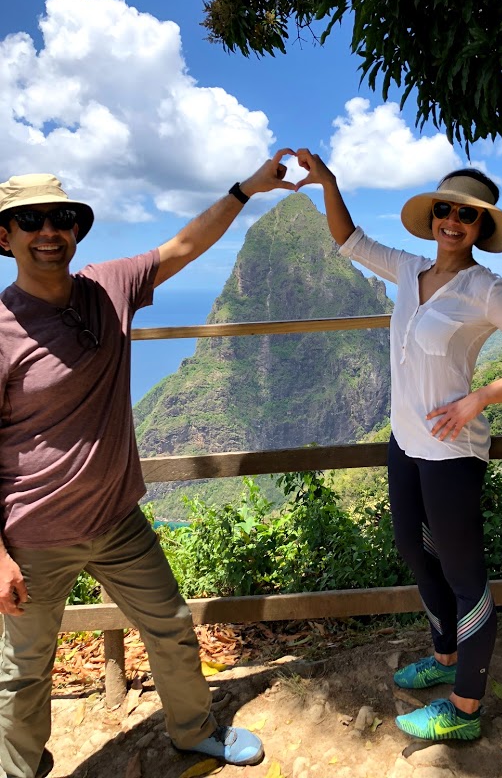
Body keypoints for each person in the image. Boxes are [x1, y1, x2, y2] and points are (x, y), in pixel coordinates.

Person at [0, 150, 296, 778]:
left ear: (75, 231)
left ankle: (194, 731)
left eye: (60, 218)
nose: (48, 231)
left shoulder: (108, 286)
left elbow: (185, 245)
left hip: (117, 520)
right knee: (24, 670)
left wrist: (247, 188)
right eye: (30, 221)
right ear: (5, 237)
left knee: (171, 626)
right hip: (34, 533)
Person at [293, 149, 502, 741]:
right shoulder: (407, 269)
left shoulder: (486, 288)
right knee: (416, 552)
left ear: (480, 228)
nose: (452, 221)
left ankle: (465, 709)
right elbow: (349, 241)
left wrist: (479, 398)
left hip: (452, 452)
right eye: (445, 209)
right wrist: (328, 183)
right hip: (406, 444)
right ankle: (445, 655)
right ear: (433, 216)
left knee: (466, 578)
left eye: (466, 215)